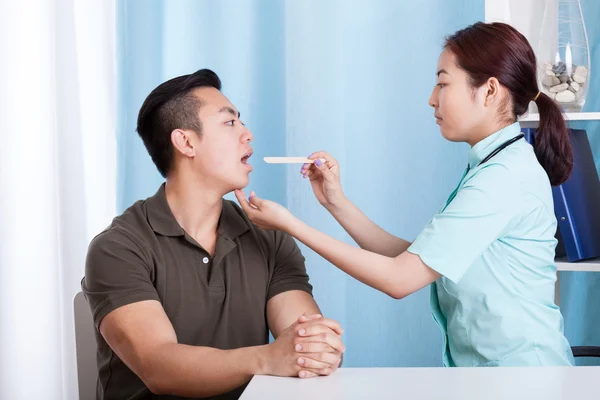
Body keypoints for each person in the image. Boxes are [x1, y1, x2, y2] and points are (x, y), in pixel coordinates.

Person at [235, 22, 575, 367]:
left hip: (524, 381)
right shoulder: (493, 165)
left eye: (443, 83)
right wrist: (335, 202)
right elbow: (415, 258)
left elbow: (399, 278)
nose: (432, 98)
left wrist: (290, 225)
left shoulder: (502, 179)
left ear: (489, 91)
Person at [82, 69, 345, 400]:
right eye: (230, 122)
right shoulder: (118, 248)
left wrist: (319, 349)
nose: (248, 133)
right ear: (186, 142)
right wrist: (269, 357)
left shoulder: (270, 237)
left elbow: (304, 344)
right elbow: (159, 366)